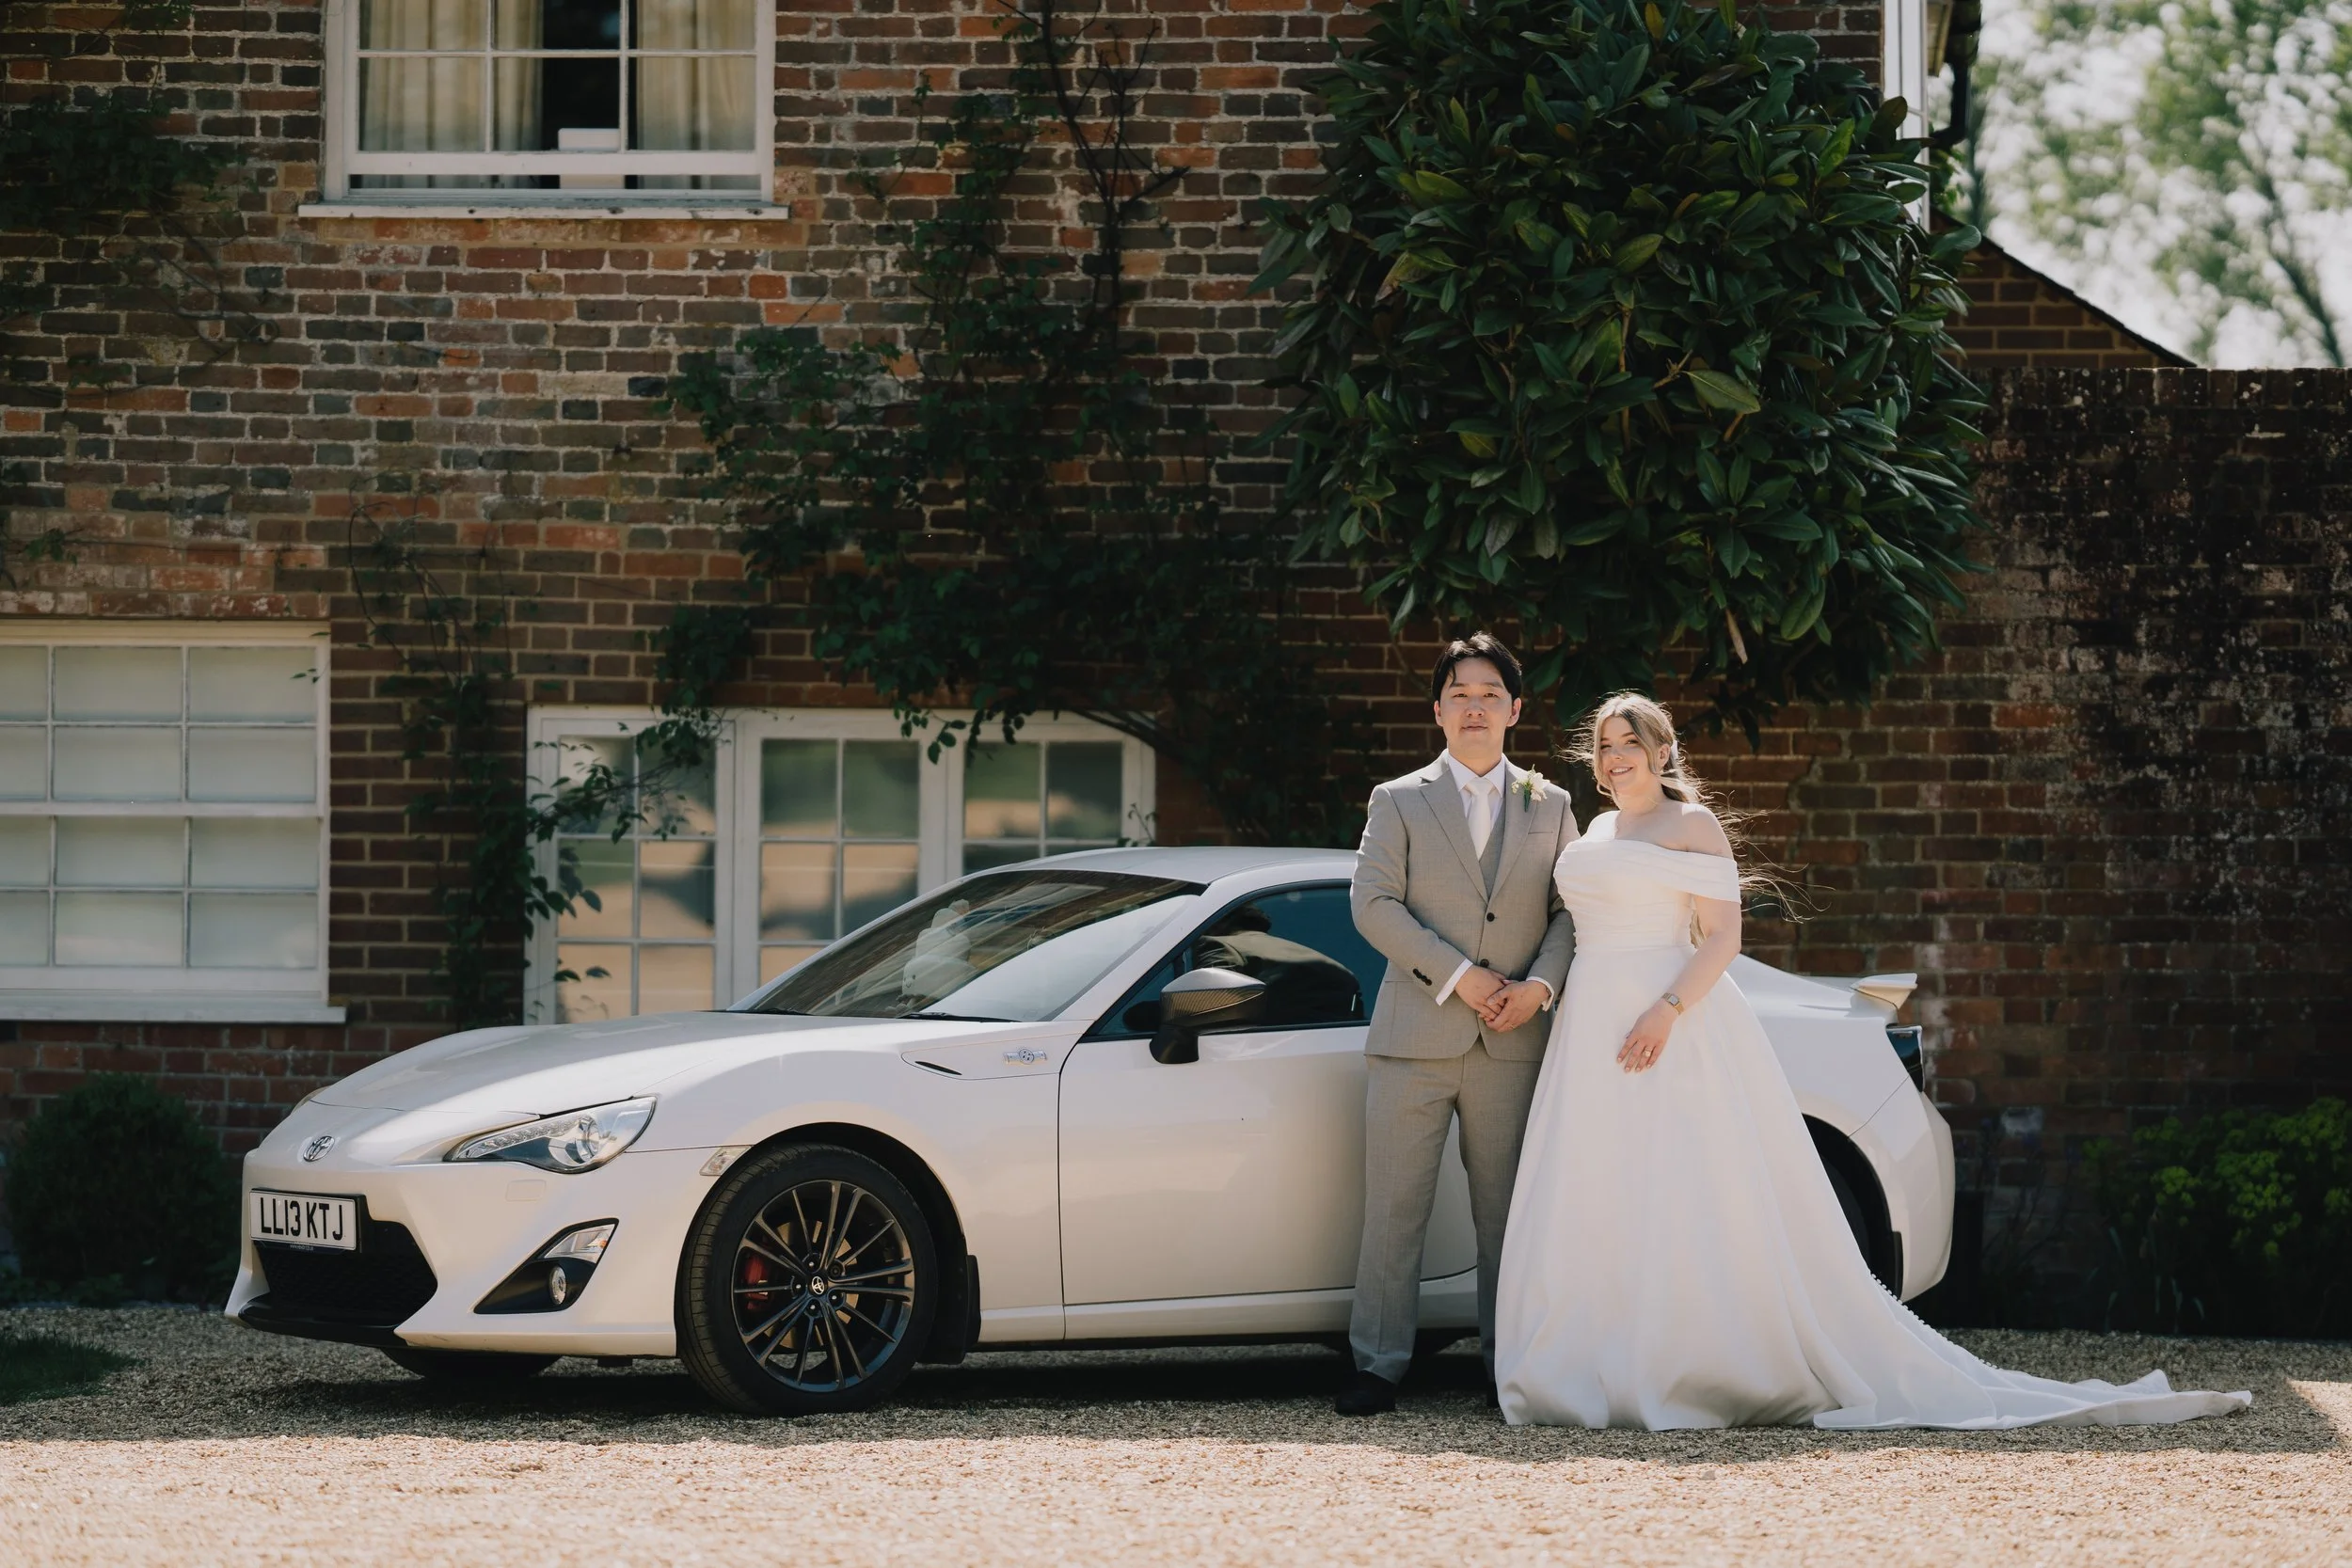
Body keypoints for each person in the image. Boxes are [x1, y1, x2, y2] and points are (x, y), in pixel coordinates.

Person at [1492, 692, 2251, 1430]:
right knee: (1600, 1189)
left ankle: (1689, 1364)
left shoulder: (1692, 824)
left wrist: (1666, 1009)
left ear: (1662, 752)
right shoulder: (1591, 832)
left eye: (1631, 742)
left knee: (1686, 1189)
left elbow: (1722, 937)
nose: (1617, 757)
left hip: (1672, 1023)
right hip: (1589, 1031)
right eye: (1605, 745)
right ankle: (1594, 1357)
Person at [1337, 634, 1579, 1416]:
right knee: (1393, 1209)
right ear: (1437, 710)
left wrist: (1540, 987)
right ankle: (1378, 1364)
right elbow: (1371, 903)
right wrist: (1460, 976)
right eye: (1459, 694)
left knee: (1507, 1213)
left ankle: (1506, 1366)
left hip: (1513, 1040)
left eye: (1489, 694)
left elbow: (1573, 912)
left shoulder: (1555, 804)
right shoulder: (1397, 798)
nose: (1474, 707)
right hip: (1415, 1038)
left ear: (1515, 710)